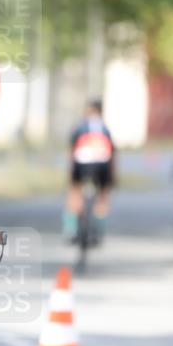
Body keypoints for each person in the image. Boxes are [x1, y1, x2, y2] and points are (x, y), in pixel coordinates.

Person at [63, 99, 117, 243]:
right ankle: (99, 229)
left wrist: (71, 172)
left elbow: (72, 150)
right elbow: (112, 153)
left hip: (82, 162)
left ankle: (71, 229)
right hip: (102, 163)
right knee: (103, 194)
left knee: (75, 192)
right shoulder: (105, 128)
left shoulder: (80, 126)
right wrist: (112, 176)